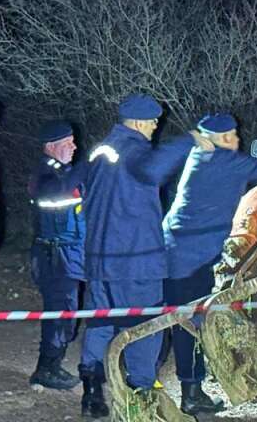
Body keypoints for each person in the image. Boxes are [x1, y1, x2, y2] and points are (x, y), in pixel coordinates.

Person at [77, 94, 210, 418]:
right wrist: (192, 140)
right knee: (146, 326)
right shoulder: (137, 153)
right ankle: (141, 394)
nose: (155, 126)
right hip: (135, 260)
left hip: (99, 259)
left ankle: (92, 392)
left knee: (101, 322)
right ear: (136, 122)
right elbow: (156, 166)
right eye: (152, 121)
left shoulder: (101, 151)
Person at [160, 113, 257, 414]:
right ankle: (186, 394)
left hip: (184, 251)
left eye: (235, 134)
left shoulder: (203, 155)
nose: (236, 140)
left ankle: (186, 390)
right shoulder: (221, 161)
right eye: (229, 136)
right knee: (185, 323)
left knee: (181, 321)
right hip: (187, 257)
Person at [27, 120, 86, 390]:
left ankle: (54, 363)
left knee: (68, 313)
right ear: (51, 147)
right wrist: (89, 165)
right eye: (68, 143)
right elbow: (54, 197)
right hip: (54, 258)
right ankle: (46, 369)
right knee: (59, 313)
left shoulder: (66, 172)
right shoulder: (45, 176)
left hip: (70, 255)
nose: (75, 147)